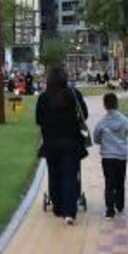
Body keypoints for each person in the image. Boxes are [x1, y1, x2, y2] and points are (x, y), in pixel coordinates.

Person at [36, 67, 89, 224]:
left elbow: (39, 119)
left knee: (54, 174)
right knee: (70, 176)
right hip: (72, 141)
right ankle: (69, 212)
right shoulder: (73, 94)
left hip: (51, 142)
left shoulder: (44, 97)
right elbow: (84, 114)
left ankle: (57, 206)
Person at [93, 93, 128, 219]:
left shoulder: (102, 123)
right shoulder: (124, 120)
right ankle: (120, 204)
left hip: (107, 156)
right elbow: (125, 133)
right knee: (120, 180)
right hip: (121, 155)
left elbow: (96, 138)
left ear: (105, 105)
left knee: (109, 182)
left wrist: (104, 141)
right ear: (117, 103)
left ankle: (109, 209)